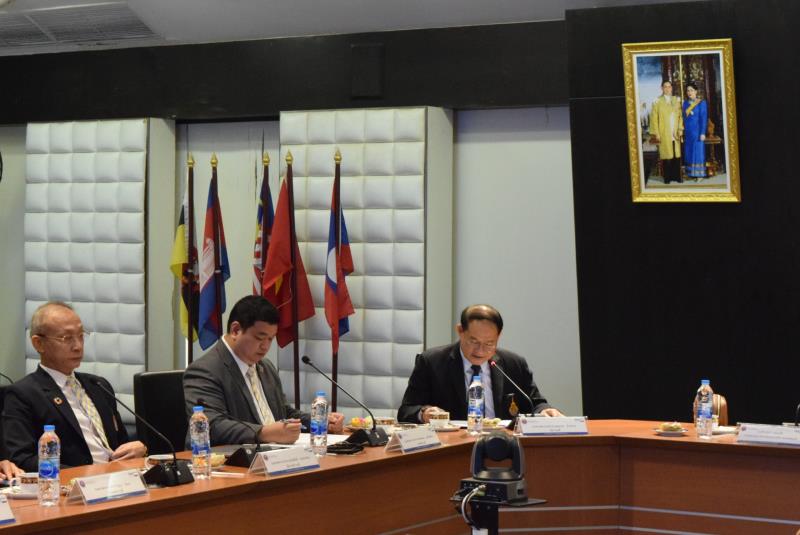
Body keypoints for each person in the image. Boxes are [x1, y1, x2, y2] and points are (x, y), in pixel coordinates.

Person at [2, 302, 146, 472]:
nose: (78, 346)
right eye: (67, 338)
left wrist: (139, 449)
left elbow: (121, 443)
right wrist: (86, 474)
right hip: (75, 483)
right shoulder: (23, 394)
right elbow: (22, 459)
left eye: (81, 336)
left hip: (119, 478)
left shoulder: (99, 385)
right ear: (38, 344)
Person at [183, 295, 345, 446]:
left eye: (270, 339)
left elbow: (283, 412)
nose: (266, 346)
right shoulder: (204, 371)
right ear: (236, 330)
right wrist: (264, 433)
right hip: (230, 460)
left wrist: (319, 422)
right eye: (260, 338)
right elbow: (211, 425)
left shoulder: (265, 367)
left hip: (276, 455)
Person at [398, 304, 562, 423]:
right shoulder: (432, 362)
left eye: (489, 343)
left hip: (504, 445)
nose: (481, 350)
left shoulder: (514, 364)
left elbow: (535, 403)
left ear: (499, 336)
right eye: (474, 341)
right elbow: (406, 411)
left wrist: (545, 410)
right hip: (453, 447)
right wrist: (424, 413)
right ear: (460, 331)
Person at [649, 79, 684, 184]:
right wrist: (656, 133)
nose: (667, 89)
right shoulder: (657, 101)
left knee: (676, 154)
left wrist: (680, 128)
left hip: (675, 131)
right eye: (665, 87)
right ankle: (667, 178)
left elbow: (680, 116)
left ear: (671, 88)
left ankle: (677, 177)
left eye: (669, 87)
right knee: (666, 155)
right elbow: (654, 118)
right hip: (664, 132)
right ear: (662, 88)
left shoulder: (676, 100)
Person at [682, 82, 708, 181]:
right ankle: (691, 173)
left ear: (696, 91)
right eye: (688, 90)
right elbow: (683, 117)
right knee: (689, 152)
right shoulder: (685, 103)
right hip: (688, 132)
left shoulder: (701, 103)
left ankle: (700, 175)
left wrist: (702, 133)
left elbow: (703, 119)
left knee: (698, 153)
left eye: (691, 90)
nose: (689, 92)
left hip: (697, 132)